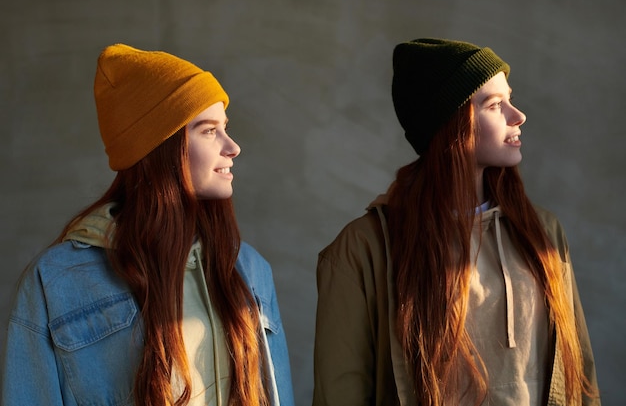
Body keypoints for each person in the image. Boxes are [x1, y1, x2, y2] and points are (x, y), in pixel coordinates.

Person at [1, 44, 294, 406]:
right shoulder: (56, 280)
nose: (232, 147)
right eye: (207, 131)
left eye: (225, 128)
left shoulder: (250, 271)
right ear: (159, 148)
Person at [313, 38, 600, 406]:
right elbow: (340, 392)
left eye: (509, 99)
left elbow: (582, 375)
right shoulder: (365, 247)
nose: (518, 115)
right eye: (496, 105)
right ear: (451, 124)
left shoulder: (543, 232)